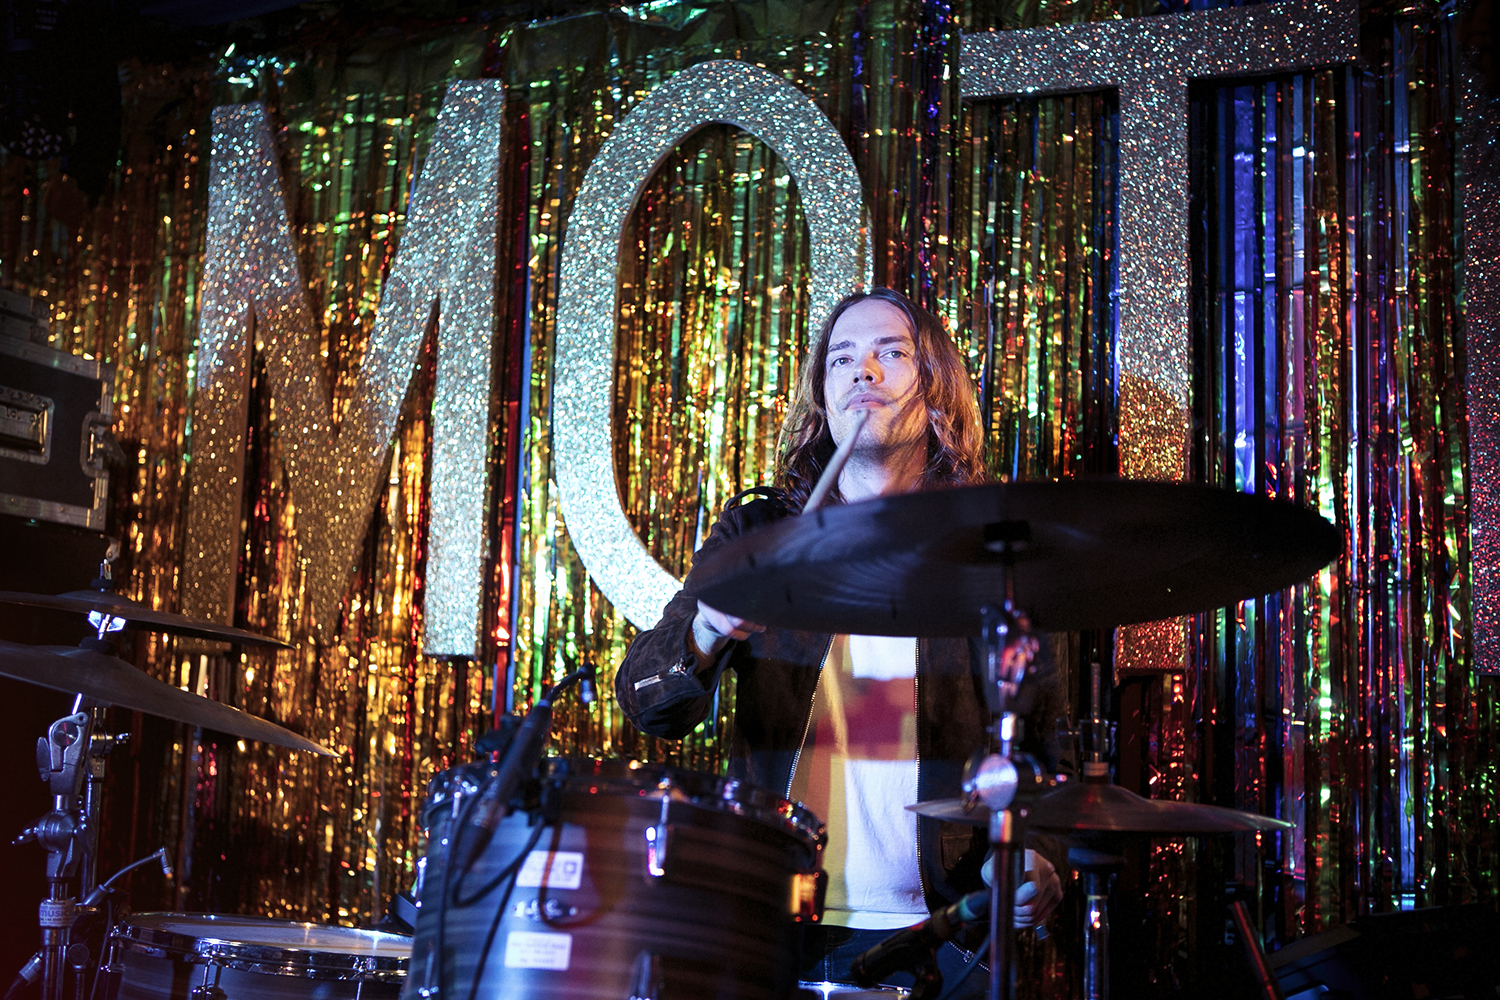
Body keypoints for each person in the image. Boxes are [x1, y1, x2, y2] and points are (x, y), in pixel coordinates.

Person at [615, 288, 1064, 998]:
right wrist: (706, 631)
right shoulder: (762, 531)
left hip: (944, 934)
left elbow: (1045, 746)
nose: (865, 371)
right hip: (776, 918)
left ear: (936, 387)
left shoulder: (992, 549)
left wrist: (1039, 856)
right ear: (823, 397)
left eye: (892, 353)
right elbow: (649, 704)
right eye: (843, 358)